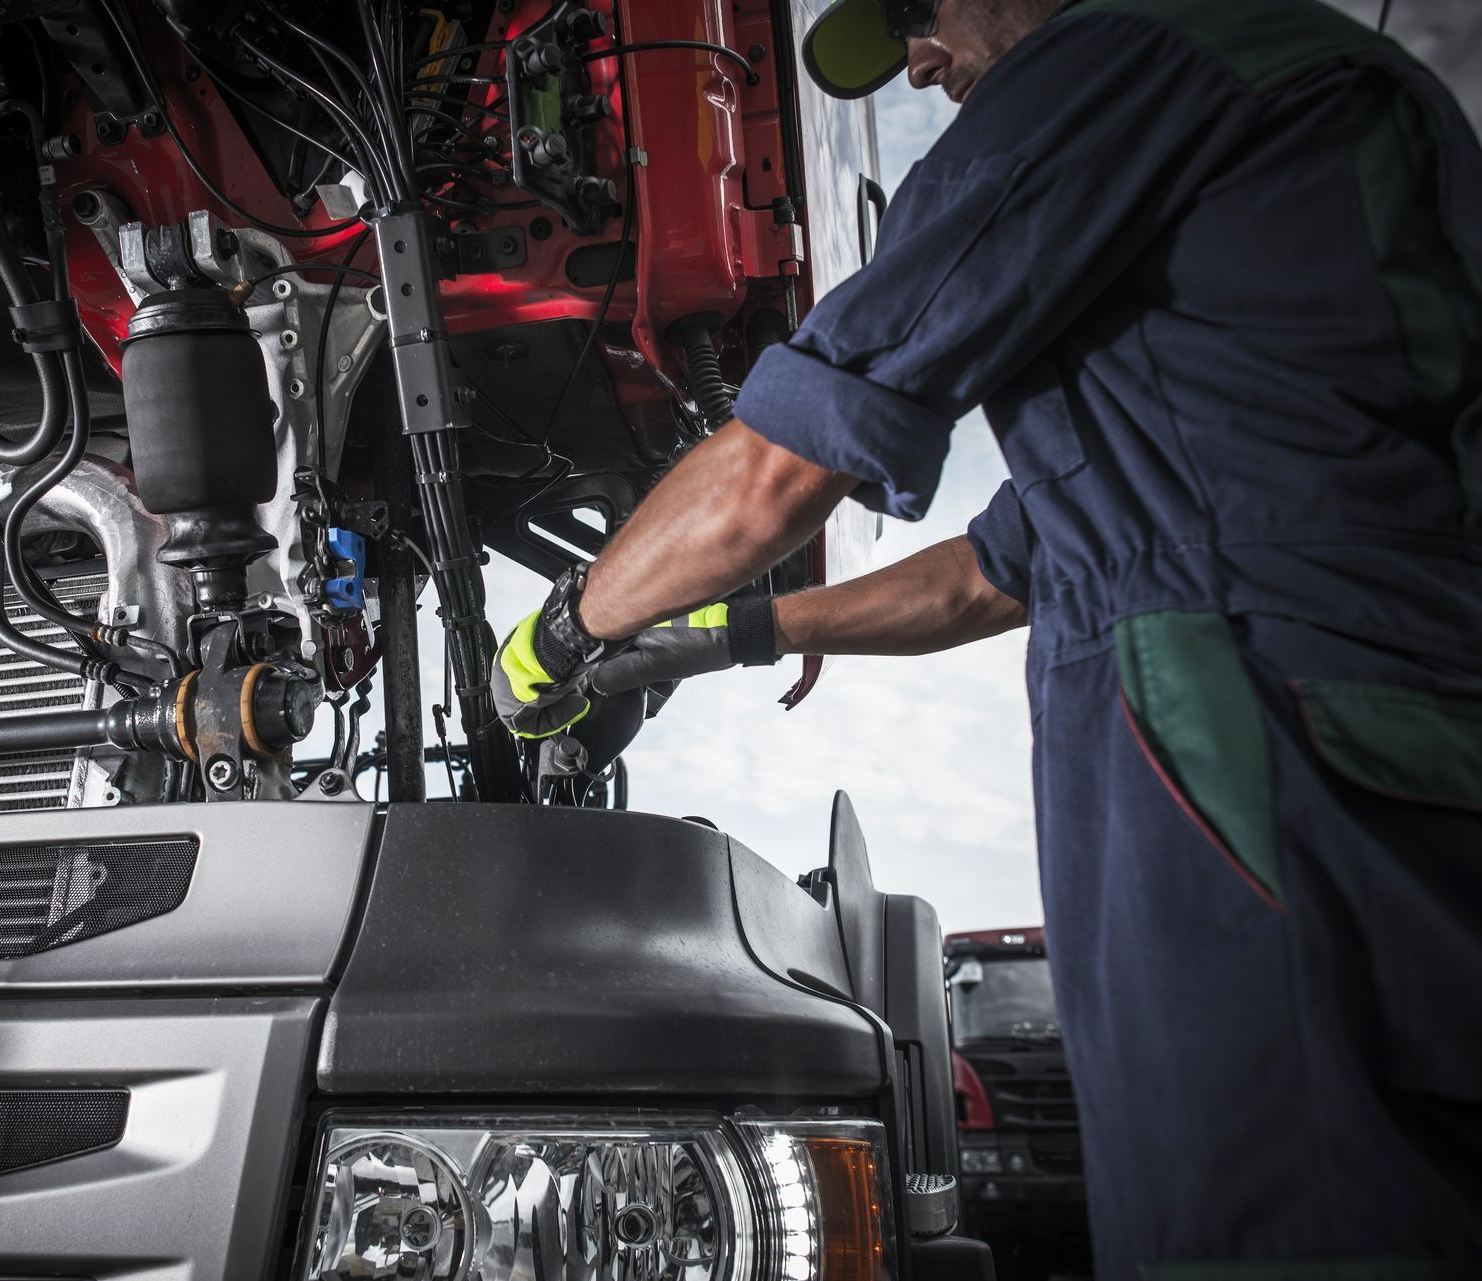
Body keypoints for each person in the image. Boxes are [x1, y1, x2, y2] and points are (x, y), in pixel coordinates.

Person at [492, 0, 1482, 1275]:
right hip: (1371, 737)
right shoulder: (1282, 117)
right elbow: (996, 571)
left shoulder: (1118, 66)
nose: (915, 59)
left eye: (918, 10)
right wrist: (745, 631)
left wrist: (559, 635)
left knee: (1278, 1219)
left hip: (1264, 755)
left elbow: (771, 478)